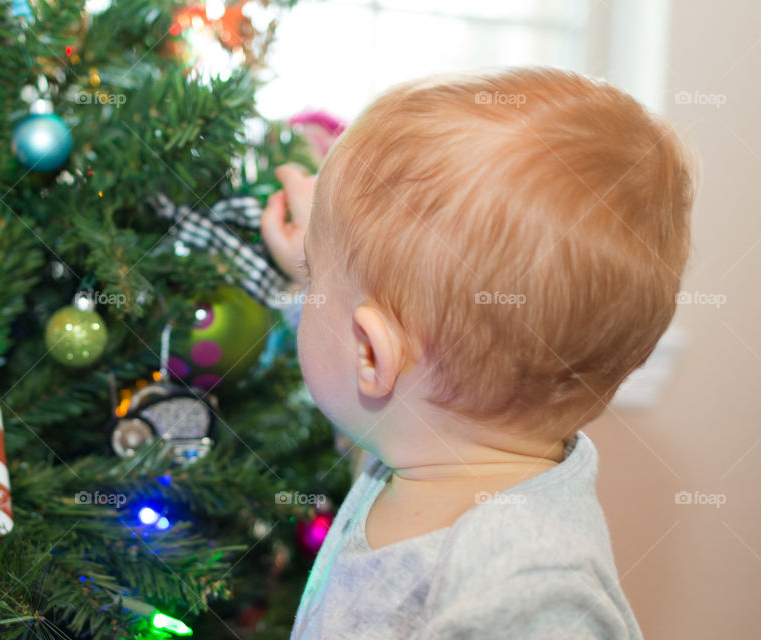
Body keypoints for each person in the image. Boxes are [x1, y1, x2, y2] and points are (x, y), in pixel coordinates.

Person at [259, 67, 697, 639]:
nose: (309, 290)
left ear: (373, 356)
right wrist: (319, 259)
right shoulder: (420, 440)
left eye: (314, 280)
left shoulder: (529, 586)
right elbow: (355, 369)